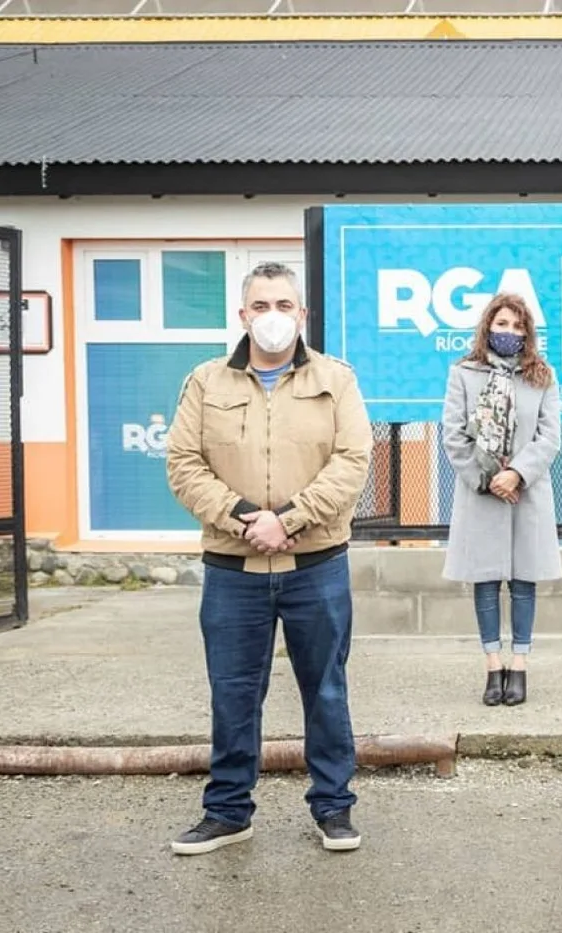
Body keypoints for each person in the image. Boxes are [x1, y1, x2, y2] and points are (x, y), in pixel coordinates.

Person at [165, 261, 372, 855]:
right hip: (233, 571)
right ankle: (229, 810)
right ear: (243, 315)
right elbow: (183, 464)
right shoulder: (206, 383)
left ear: (302, 314)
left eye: (284, 306)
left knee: (326, 692)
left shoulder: (336, 379)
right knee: (233, 693)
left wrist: (290, 519)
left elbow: (351, 462)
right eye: (261, 306)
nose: (273, 318)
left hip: (317, 566)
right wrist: (242, 515)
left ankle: (334, 807)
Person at [441, 292, 562, 707]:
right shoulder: (463, 373)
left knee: (524, 581)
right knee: (486, 580)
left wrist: (516, 474)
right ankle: (493, 665)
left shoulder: (542, 376)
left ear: (527, 332)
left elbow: (550, 437)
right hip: (481, 494)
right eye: (501, 324)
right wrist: (487, 478)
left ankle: (520, 665)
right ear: (487, 326)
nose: (508, 332)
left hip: (526, 493)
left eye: (517, 326)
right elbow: (453, 435)